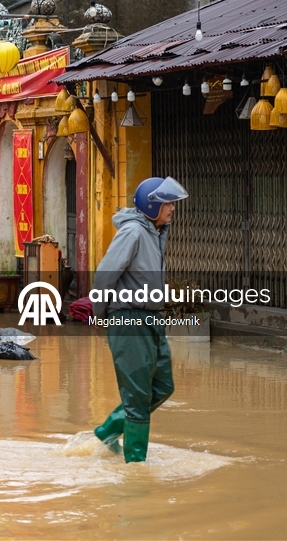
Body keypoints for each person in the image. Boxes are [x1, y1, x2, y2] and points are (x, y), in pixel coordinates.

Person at [91, 176, 188, 463]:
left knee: (163, 385)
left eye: (171, 202)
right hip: (128, 318)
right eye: (167, 203)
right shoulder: (133, 232)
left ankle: (109, 429)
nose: (172, 208)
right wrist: (100, 316)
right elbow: (105, 274)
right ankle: (135, 466)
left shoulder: (155, 232)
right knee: (136, 396)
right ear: (151, 205)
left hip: (150, 318)